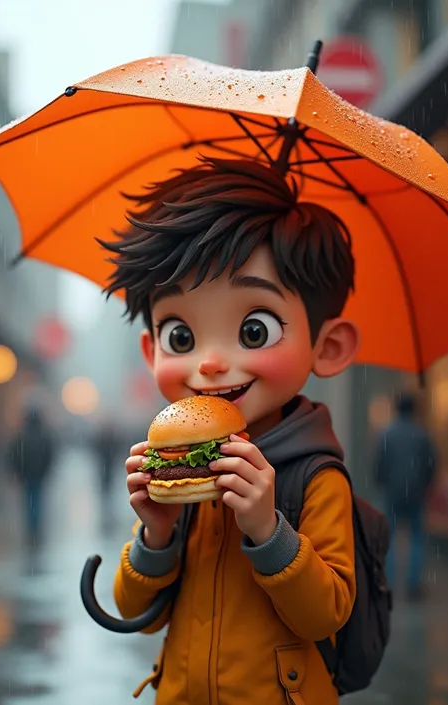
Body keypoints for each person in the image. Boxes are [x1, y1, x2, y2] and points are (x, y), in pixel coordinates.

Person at [101, 157, 361, 705]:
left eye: (253, 328)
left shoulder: (315, 474)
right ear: (151, 350)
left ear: (327, 346)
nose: (213, 362)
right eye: (180, 335)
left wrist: (269, 532)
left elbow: (326, 616)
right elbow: (137, 614)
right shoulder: (183, 469)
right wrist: (156, 533)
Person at [374, 392, 436, 600]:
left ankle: (388, 582)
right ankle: (414, 584)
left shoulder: (387, 434)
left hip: (392, 492)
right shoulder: (422, 434)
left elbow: (379, 464)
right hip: (417, 492)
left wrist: (381, 482)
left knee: (389, 537)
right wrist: (425, 484)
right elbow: (431, 464)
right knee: (417, 537)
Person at [7, 404, 55, 547]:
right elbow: (49, 454)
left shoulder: (22, 435)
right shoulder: (43, 435)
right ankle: (35, 527)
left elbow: (14, 455)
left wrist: (17, 471)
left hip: (27, 474)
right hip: (37, 474)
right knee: (37, 500)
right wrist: (45, 470)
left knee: (29, 500)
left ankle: (31, 527)